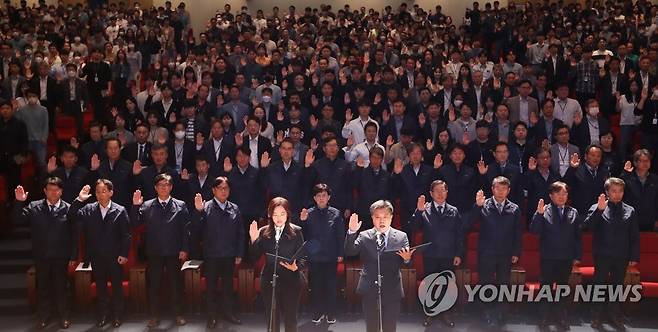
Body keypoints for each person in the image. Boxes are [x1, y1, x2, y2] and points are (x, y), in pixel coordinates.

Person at [12, 178, 76, 329]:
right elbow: (16, 220)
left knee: (62, 288)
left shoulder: (68, 208)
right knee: (43, 288)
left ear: (61, 191)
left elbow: (74, 235)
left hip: (61, 256)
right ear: (45, 191)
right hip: (42, 255)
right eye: (50, 189)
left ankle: (64, 317)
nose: (53, 193)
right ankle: (44, 317)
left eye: (56, 190)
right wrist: (18, 202)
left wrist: (73, 256)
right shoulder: (34, 207)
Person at [344, 200, 415, 332]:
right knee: (372, 327)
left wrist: (407, 259)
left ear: (391, 218)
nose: (381, 221)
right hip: (370, 287)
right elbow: (350, 251)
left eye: (385, 217)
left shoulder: (401, 237)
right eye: (377, 217)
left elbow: (409, 263)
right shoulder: (364, 236)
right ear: (372, 218)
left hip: (392, 288)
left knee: (390, 327)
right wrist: (352, 232)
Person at [130, 174, 190, 328]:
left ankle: (178, 314)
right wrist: (135, 206)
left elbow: (185, 229)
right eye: (161, 185)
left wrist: (184, 249)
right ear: (155, 188)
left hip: (174, 250)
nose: (164, 188)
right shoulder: (147, 205)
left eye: (167, 185)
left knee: (175, 284)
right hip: (154, 251)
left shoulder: (180, 205)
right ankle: (154, 316)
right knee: (154, 285)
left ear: (171, 187)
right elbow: (135, 224)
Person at [69, 180, 131, 328]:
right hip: (96, 256)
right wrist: (79, 200)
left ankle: (117, 315)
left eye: (104, 191)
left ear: (111, 192)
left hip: (115, 256)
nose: (100, 194)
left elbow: (126, 235)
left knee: (116, 287)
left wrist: (124, 253)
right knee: (101, 288)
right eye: (97, 191)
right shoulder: (88, 209)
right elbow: (71, 216)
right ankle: (103, 315)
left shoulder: (120, 210)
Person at [584, 177, 640, 331]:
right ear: (607, 192)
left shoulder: (630, 210)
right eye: (614, 191)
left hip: (622, 255)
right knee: (599, 285)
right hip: (602, 254)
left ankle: (614, 315)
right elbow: (587, 227)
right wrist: (599, 211)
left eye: (620, 191)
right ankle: (596, 315)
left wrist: (634, 257)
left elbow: (634, 236)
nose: (617, 194)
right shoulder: (598, 207)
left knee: (617, 286)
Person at [467, 177, 522, 327]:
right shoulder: (483, 205)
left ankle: (501, 314)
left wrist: (516, 252)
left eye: (504, 188)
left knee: (503, 285)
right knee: (485, 284)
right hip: (486, 253)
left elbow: (518, 233)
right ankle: (486, 313)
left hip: (506, 253)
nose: (501, 191)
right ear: (492, 189)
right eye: (498, 188)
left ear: (508, 191)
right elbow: (467, 224)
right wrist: (477, 207)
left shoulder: (514, 208)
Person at [191, 176, 244, 328]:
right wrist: (198, 212)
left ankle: (228, 313)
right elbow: (195, 230)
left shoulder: (234, 208)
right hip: (211, 255)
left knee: (228, 287)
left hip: (229, 254)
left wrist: (239, 253)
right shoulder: (205, 207)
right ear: (213, 190)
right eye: (220, 188)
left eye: (226, 188)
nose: (223, 191)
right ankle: (212, 316)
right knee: (211, 287)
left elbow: (240, 233)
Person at [529, 182, 581, 331]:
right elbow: (534, 231)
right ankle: (543, 316)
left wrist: (577, 256)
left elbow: (577, 237)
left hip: (566, 257)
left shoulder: (573, 212)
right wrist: (538, 214)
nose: (562, 197)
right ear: (551, 196)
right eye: (558, 194)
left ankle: (561, 315)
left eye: (564, 194)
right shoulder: (544, 210)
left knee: (562, 288)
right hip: (549, 257)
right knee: (545, 288)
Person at [248, 197, 306, 332]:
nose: (278, 218)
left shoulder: (296, 231)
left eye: (282, 214)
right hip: (269, 280)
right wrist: (253, 239)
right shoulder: (263, 232)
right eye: (275, 214)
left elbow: (304, 256)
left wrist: (297, 266)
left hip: (291, 280)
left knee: (291, 318)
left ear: (288, 214)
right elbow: (254, 257)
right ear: (269, 215)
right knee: (272, 316)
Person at [411, 180, 463, 327]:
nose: (440, 194)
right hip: (431, 254)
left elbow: (459, 235)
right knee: (430, 284)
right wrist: (419, 211)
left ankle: (446, 313)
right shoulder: (425, 209)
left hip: (448, 254)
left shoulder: (454, 210)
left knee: (447, 286)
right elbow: (414, 227)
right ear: (431, 194)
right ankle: (429, 313)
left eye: (443, 190)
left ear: (447, 192)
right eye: (437, 191)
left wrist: (458, 254)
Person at [300, 184, 345, 325]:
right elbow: (302, 234)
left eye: (324, 195)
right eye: (318, 195)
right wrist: (301, 221)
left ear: (329, 197)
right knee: (316, 286)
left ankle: (331, 313)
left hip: (331, 255)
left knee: (331, 286)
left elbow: (340, 235)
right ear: (314, 198)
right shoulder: (308, 213)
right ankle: (318, 313)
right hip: (314, 256)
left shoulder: (336, 213)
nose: (321, 198)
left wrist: (340, 253)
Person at [621, 149, 658, 231]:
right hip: (631, 221)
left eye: (647, 161)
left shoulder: (655, 179)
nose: (645, 163)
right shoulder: (627, 178)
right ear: (635, 163)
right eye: (642, 161)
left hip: (650, 221)